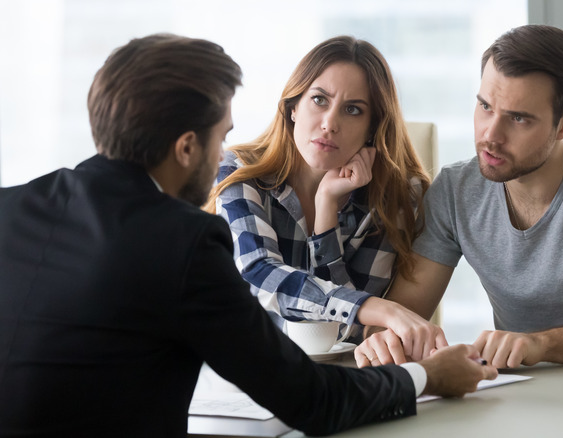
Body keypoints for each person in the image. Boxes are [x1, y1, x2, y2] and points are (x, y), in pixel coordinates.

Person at [0, 34, 497, 438]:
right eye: (222, 133)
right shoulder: (187, 241)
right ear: (188, 147)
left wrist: (326, 215)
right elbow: (314, 403)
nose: (226, 149)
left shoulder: (9, 206)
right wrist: (429, 377)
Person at [355, 24, 563, 369]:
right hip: (521, 392)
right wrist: (385, 338)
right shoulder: (456, 190)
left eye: (518, 118)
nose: (491, 135)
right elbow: (401, 313)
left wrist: (541, 343)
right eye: (485, 106)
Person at [204, 36, 445, 357]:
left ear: (372, 128)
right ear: (293, 107)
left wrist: (326, 214)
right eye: (319, 100)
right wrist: (382, 310)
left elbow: (349, 332)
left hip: (344, 375)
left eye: (353, 110)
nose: (330, 123)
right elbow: (260, 274)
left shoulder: (396, 197)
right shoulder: (238, 171)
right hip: (245, 372)